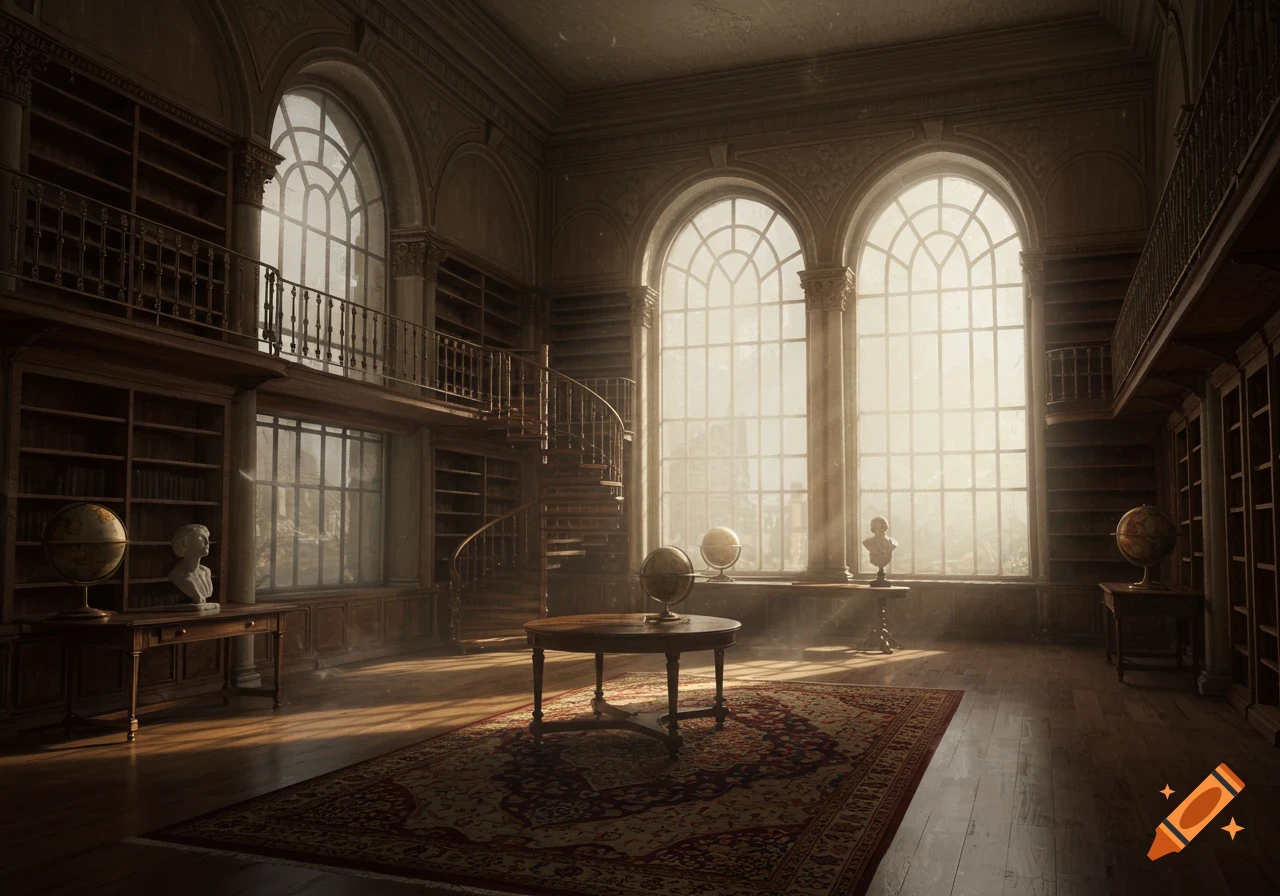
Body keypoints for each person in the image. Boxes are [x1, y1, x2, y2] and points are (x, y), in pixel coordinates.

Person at [168, 523, 216, 606]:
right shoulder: (177, 575)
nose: (207, 542)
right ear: (185, 543)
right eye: (201, 537)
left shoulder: (206, 572)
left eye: (207, 538)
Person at [862, 516, 897, 586]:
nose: (881, 530)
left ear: (886, 527)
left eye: (882, 527)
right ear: (873, 529)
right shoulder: (867, 542)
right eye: (878, 528)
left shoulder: (892, 543)